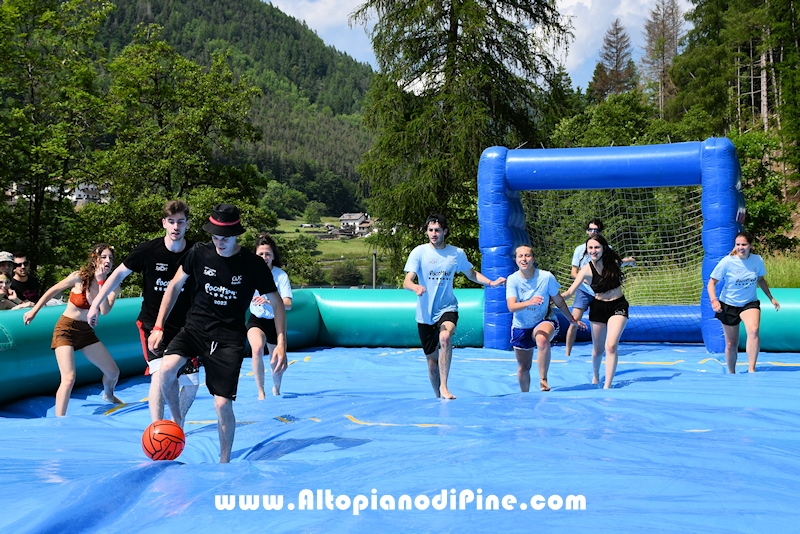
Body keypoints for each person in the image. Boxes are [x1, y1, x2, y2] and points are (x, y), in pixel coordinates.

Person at [148, 204, 287, 463]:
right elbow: (174, 286)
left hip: (228, 340)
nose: (219, 243)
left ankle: (225, 460)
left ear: (236, 235)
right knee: (165, 370)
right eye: (215, 237)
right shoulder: (199, 254)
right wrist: (158, 327)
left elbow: (277, 302)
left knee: (222, 405)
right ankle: (177, 419)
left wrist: (280, 342)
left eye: (224, 238)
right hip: (194, 329)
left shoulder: (252, 264)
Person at [87, 200, 199, 423]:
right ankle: (157, 426)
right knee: (159, 375)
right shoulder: (148, 250)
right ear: (164, 223)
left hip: (186, 326)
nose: (176, 227)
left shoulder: (196, 252)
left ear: (187, 224)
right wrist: (94, 304)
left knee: (192, 383)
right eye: (171, 222)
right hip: (151, 324)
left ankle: (178, 424)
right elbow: (117, 275)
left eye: (180, 222)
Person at [404, 213, 506, 400]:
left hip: (447, 307)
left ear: (445, 231)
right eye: (430, 230)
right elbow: (406, 281)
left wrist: (490, 283)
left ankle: (444, 386)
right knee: (432, 363)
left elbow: (472, 273)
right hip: (425, 314)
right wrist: (415, 286)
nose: (433, 234)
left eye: (437, 230)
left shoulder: (456, 253)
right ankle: (438, 395)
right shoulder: (419, 252)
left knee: (445, 337)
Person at [22, 243, 122, 416]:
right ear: (94, 259)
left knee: (113, 372)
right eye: (103, 257)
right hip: (66, 329)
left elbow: (105, 310)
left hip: (86, 332)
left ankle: (108, 395)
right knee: (69, 378)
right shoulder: (79, 277)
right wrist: (34, 311)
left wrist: (101, 283)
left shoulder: (111, 284)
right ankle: (59, 420)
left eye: (110, 258)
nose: (108, 261)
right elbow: (53, 290)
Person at [506, 245, 586, 392]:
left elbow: (559, 301)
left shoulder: (546, 277)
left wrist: (571, 319)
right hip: (521, 325)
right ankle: (525, 395)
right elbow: (511, 306)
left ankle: (543, 380)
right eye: (520, 256)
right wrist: (529, 302)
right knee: (524, 367)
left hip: (544, 320)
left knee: (542, 338)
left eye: (527, 256)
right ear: (516, 260)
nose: (524, 259)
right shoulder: (513, 280)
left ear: (533, 258)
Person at [561, 234, 628, 389]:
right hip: (598, 308)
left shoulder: (613, 263)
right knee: (598, 350)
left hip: (618, 306)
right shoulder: (586, 270)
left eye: (596, 247)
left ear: (603, 248)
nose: (593, 250)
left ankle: (608, 386)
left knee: (610, 346)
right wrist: (556, 297)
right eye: (590, 248)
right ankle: (596, 375)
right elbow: (570, 292)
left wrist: (631, 261)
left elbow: (625, 262)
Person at [708, 231, 780, 374]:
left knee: (753, 330)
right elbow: (711, 283)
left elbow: (760, 280)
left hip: (749, 303)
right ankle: (731, 372)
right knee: (731, 343)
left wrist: (771, 298)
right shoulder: (727, 262)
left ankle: (751, 368)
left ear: (750, 245)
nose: (741, 247)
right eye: (738, 244)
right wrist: (714, 300)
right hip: (728, 304)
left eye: (744, 244)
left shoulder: (757, 260)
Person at [565, 219, 635, 357]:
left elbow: (615, 264)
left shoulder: (606, 248)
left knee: (606, 326)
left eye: (596, 231)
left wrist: (628, 261)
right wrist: (584, 280)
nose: (592, 232)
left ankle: (606, 348)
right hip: (585, 290)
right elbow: (574, 272)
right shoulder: (580, 249)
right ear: (586, 231)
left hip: (603, 292)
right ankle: (567, 354)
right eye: (590, 230)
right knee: (574, 321)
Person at [247, 233, 293, 399]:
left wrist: (268, 302)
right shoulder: (249, 273)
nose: (264, 257)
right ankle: (260, 391)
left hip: (276, 322)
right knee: (257, 349)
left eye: (268, 254)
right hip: (256, 320)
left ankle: (276, 387)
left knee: (276, 362)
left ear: (273, 256)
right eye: (261, 254)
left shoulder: (281, 276)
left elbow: (288, 305)